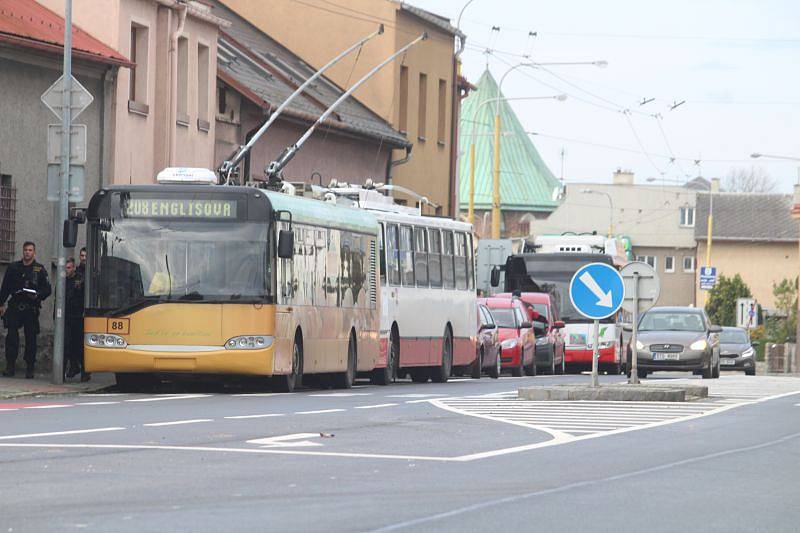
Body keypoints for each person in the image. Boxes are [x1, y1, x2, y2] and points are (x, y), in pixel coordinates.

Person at [0, 242, 52, 378]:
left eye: (30, 250)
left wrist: (38, 294)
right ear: (23, 252)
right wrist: (1, 304)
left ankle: (30, 368)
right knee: (11, 336)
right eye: (25, 250)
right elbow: (5, 287)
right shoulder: (13, 267)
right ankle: (10, 366)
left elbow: (47, 289)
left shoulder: (39, 269)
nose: (27, 252)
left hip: (31, 307)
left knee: (31, 338)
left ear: (34, 253)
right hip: (15, 306)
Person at [64, 258, 87, 381]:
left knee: (78, 345)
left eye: (68, 268)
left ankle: (85, 370)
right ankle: (72, 367)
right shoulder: (62, 281)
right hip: (66, 317)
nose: (66, 271)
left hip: (77, 317)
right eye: (64, 268)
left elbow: (83, 297)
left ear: (73, 268)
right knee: (66, 344)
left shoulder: (80, 280)